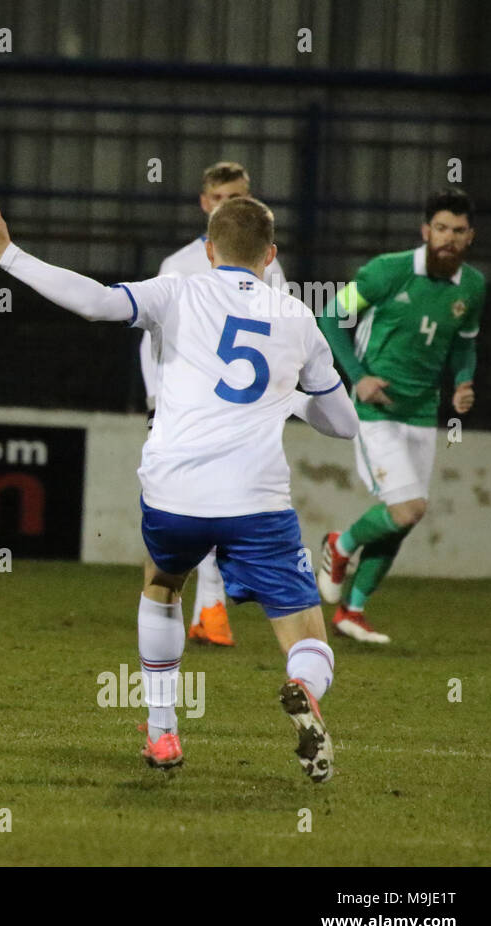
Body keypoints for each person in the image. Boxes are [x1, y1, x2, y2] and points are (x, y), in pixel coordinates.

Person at [0, 195, 358, 782]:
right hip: (255, 499)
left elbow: (95, 304)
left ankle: (163, 734)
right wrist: (291, 394)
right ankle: (302, 686)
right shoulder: (299, 317)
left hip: (174, 493)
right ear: (270, 256)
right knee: (305, 633)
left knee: (163, 584)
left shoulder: (178, 290)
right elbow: (344, 425)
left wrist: (7, 254)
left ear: (208, 248)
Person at [314, 188, 482, 644]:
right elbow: (331, 316)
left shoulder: (472, 286)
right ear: (426, 231)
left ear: (470, 237)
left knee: (404, 515)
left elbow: (464, 344)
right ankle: (340, 545)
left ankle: (352, 611)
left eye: (459, 231)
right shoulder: (387, 271)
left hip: (422, 413)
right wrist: (359, 376)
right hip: (375, 411)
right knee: (409, 508)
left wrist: (463, 382)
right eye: (441, 229)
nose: (449, 238)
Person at [143, 162, 288, 648]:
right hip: (188, 413)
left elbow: (284, 330)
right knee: (198, 509)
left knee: (224, 507)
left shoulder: (270, 267)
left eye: (240, 195)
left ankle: (211, 608)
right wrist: (154, 400)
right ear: (205, 203)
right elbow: (152, 343)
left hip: (245, 411)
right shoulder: (179, 265)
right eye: (222, 196)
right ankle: (208, 606)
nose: (230, 204)